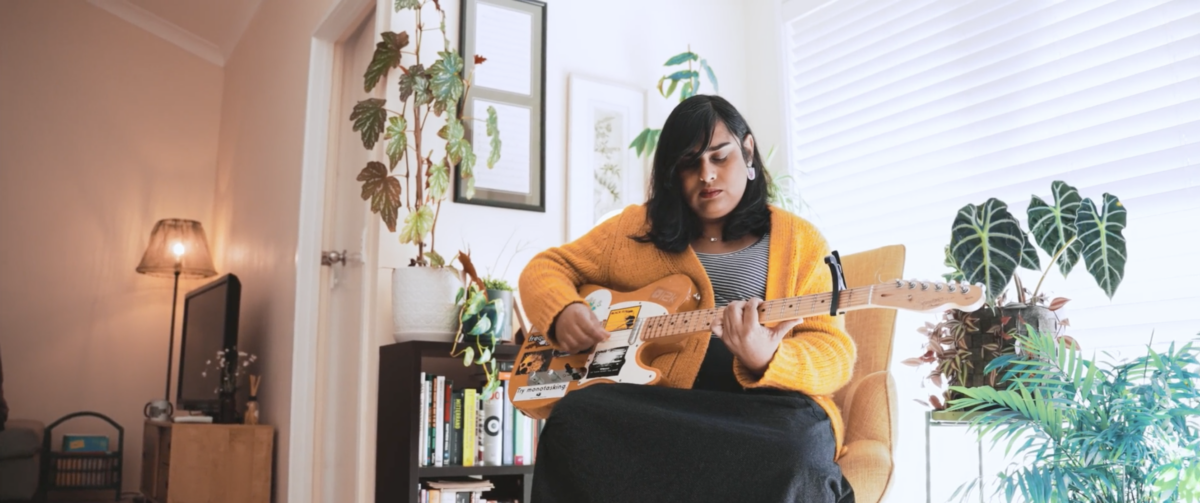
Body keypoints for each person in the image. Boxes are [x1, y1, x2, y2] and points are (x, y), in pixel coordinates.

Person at [518, 95, 856, 502]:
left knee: (799, 444)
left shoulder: (800, 240)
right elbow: (546, 267)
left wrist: (767, 358)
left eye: (720, 156)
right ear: (671, 175)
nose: (707, 175)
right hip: (659, 407)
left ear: (747, 150)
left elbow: (833, 353)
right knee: (575, 417)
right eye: (689, 163)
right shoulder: (632, 231)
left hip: (763, 414)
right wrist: (563, 310)